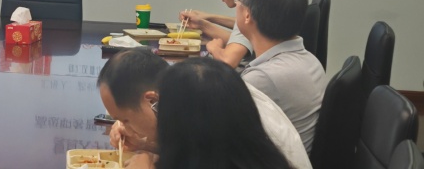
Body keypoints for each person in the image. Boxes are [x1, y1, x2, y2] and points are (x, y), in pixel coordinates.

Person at [97, 48, 311, 169]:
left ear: (154, 101)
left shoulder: (206, 104)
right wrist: (150, 147)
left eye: (125, 120)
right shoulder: (218, 100)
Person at [236, 0, 326, 153]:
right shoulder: (311, 60)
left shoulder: (262, 78)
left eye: (238, 0)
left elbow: (221, 137)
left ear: (247, 14)